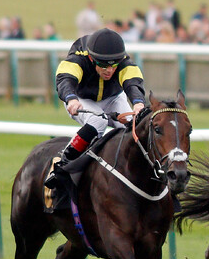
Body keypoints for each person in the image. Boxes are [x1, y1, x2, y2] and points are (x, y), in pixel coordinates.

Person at [44, 28, 146, 188]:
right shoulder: (79, 58)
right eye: (103, 65)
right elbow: (65, 79)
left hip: (113, 98)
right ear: (91, 58)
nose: (109, 70)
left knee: (133, 124)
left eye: (114, 66)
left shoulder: (121, 60)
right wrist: (71, 99)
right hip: (81, 99)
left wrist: (138, 102)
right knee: (98, 120)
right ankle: (62, 165)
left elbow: (133, 80)